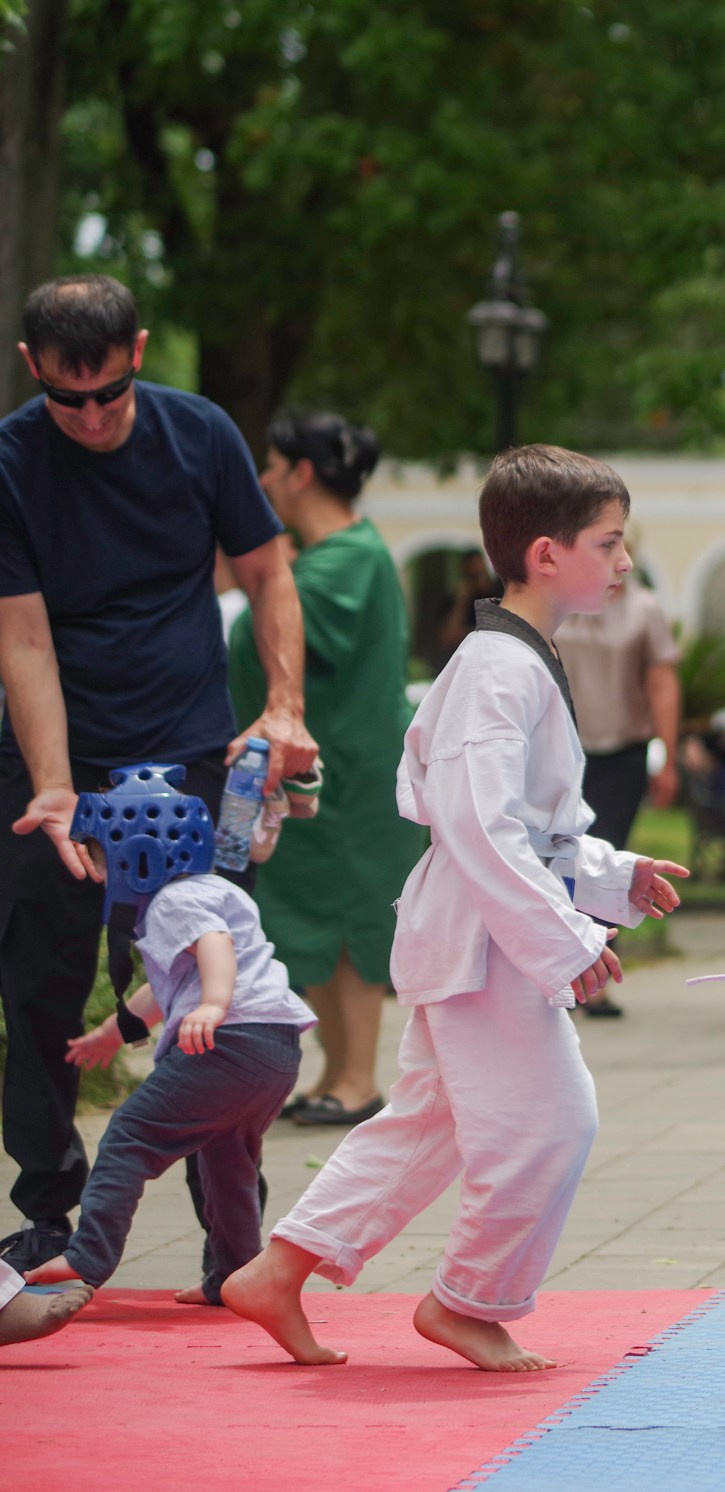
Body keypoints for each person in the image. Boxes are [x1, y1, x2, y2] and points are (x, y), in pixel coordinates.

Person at [221, 446, 689, 1372]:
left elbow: (522, 826)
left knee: (431, 1120)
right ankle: (468, 1301)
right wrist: (565, 942)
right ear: (547, 554)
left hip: (480, 924)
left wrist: (612, 874)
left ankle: (279, 1270)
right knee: (553, 1121)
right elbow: (482, 827)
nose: (626, 561)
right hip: (485, 932)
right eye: (611, 542)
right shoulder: (496, 668)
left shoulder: (515, 657)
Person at [0, 275, 316, 1277]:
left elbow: (268, 571)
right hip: (56, 756)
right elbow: (24, 639)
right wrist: (54, 783)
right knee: (43, 986)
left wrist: (283, 706)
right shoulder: (10, 459)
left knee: (212, 983)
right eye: (67, 398)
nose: (91, 418)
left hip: (188, 753)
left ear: (138, 350)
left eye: (111, 393)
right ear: (31, 369)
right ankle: (51, 1212)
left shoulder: (201, 433)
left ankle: (235, 1239)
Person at [30, 787, 315, 1303]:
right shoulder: (213, 890)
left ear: (139, 855)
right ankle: (235, 1280)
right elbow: (161, 991)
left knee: (129, 1135)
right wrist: (110, 1033)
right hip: (275, 1048)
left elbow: (214, 946)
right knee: (228, 1164)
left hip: (227, 1042)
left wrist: (213, 1004)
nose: (97, 870)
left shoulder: (173, 901)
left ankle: (87, 1257)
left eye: (99, 854)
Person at [236, 409, 428, 1129]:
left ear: (302, 473)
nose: (262, 481)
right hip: (329, 773)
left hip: (347, 779)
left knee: (349, 921)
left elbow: (279, 623)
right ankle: (336, 1070)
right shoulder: (337, 553)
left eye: (273, 466)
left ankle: (356, 1078)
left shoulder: (343, 558)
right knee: (319, 915)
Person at [551, 571, 682, 1018]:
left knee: (604, 856)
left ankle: (595, 980)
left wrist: (667, 755)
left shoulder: (643, 608)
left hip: (621, 752)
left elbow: (662, 681)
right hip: (559, 749)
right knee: (553, 857)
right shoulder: (554, 602)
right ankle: (557, 971)